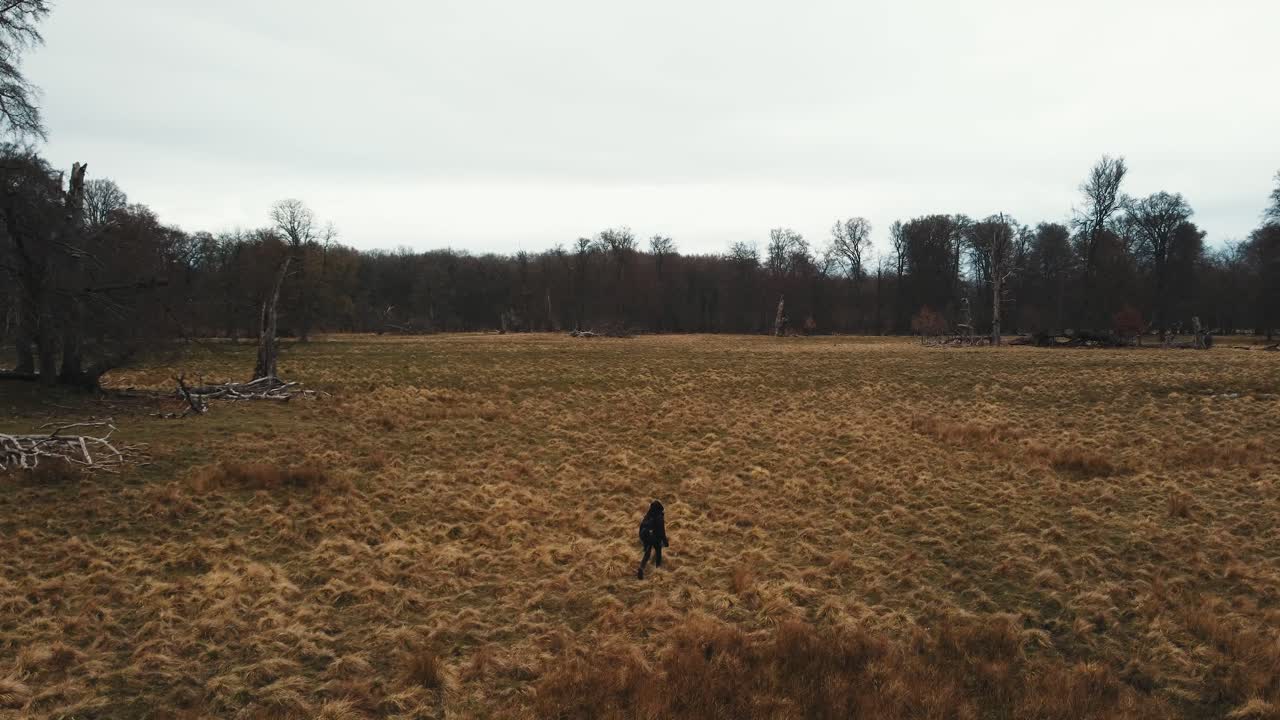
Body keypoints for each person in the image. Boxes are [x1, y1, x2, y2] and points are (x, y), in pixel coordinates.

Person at [637, 500, 669, 579]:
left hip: (645, 536)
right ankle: (658, 571)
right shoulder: (659, 516)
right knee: (658, 552)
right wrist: (665, 541)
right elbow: (661, 531)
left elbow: (641, 527)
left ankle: (641, 568)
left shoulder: (648, 515)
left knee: (647, 553)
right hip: (653, 537)